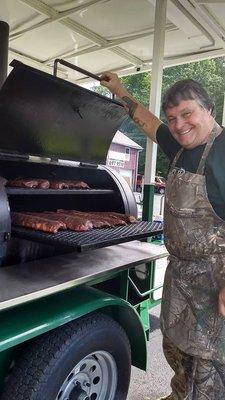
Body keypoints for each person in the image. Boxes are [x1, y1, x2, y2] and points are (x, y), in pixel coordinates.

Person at [101, 73, 225, 400]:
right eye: (173, 118)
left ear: (209, 109)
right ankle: (179, 394)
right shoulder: (183, 145)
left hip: (214, 279)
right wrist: (119, 91)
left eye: (187, 113)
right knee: (175, 345)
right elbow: (148, 123)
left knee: (207, 362)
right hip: (181, 273)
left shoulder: (222, 151)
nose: (179, 124)